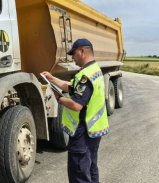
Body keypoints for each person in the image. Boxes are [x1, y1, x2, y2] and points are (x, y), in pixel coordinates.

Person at [42, 39, 109, 183]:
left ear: (82, 52)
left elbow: (76, 105)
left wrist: (59, 98)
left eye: (74, 54)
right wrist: (52, 79)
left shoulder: (86, 76)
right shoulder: (94, 70)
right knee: (91, 168)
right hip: (93, 130)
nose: (73, 58)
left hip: (82, 133)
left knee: (79, 173)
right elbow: (71, 87)